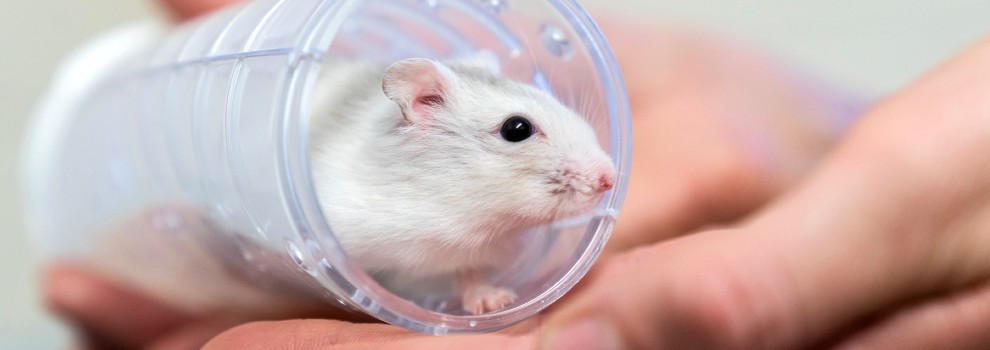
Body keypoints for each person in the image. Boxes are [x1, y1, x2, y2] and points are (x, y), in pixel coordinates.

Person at [43, 0, 990, 348]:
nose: (600, 174)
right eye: (516, 132)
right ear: (420, 111)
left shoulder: (465, 206)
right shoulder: (356, 184)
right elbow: (352, 246)